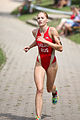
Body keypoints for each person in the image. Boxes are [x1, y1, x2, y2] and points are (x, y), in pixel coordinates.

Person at [24, 11, 63, 120]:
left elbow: (60, 48)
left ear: (47, 20)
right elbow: (37, 41)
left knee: (49, 89)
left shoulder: (52, 31)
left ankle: (54, 92)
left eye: (42, 18)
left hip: (51, 63)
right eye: (38, 18)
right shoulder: (35, 31)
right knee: (39, 89)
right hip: (40, 62)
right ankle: (38, 116)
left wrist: (47, 42)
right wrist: (30, 46)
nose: (40, 20)